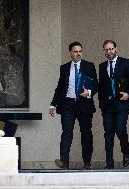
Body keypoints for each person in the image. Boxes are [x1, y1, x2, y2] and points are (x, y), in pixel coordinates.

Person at [49, 41, 98, 169]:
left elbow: (96, 85)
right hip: (68, 104)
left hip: (84, 104)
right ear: (70, 53)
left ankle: (87, 162)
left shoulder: (89, 66)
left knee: (86, 133)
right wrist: (53, 104)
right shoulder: (64, 68)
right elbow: (60, 88)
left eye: (80, 51)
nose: (78, 54)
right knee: (66, 133)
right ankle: (64, 162)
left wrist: (89, 92)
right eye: (75, 52)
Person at [98, 40, 129, 169]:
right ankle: (109, 163)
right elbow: (101, 87)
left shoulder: (126, 63)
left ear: (116, 49)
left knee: (120, 129)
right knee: (108, 134)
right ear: (104, 51)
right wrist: (101, 105)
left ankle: (126, 151)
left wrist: (128, 94)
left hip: (122, 103)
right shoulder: (102, 66)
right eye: (106, 50)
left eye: (111, 49)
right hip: (107, 105)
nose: (109, 52)